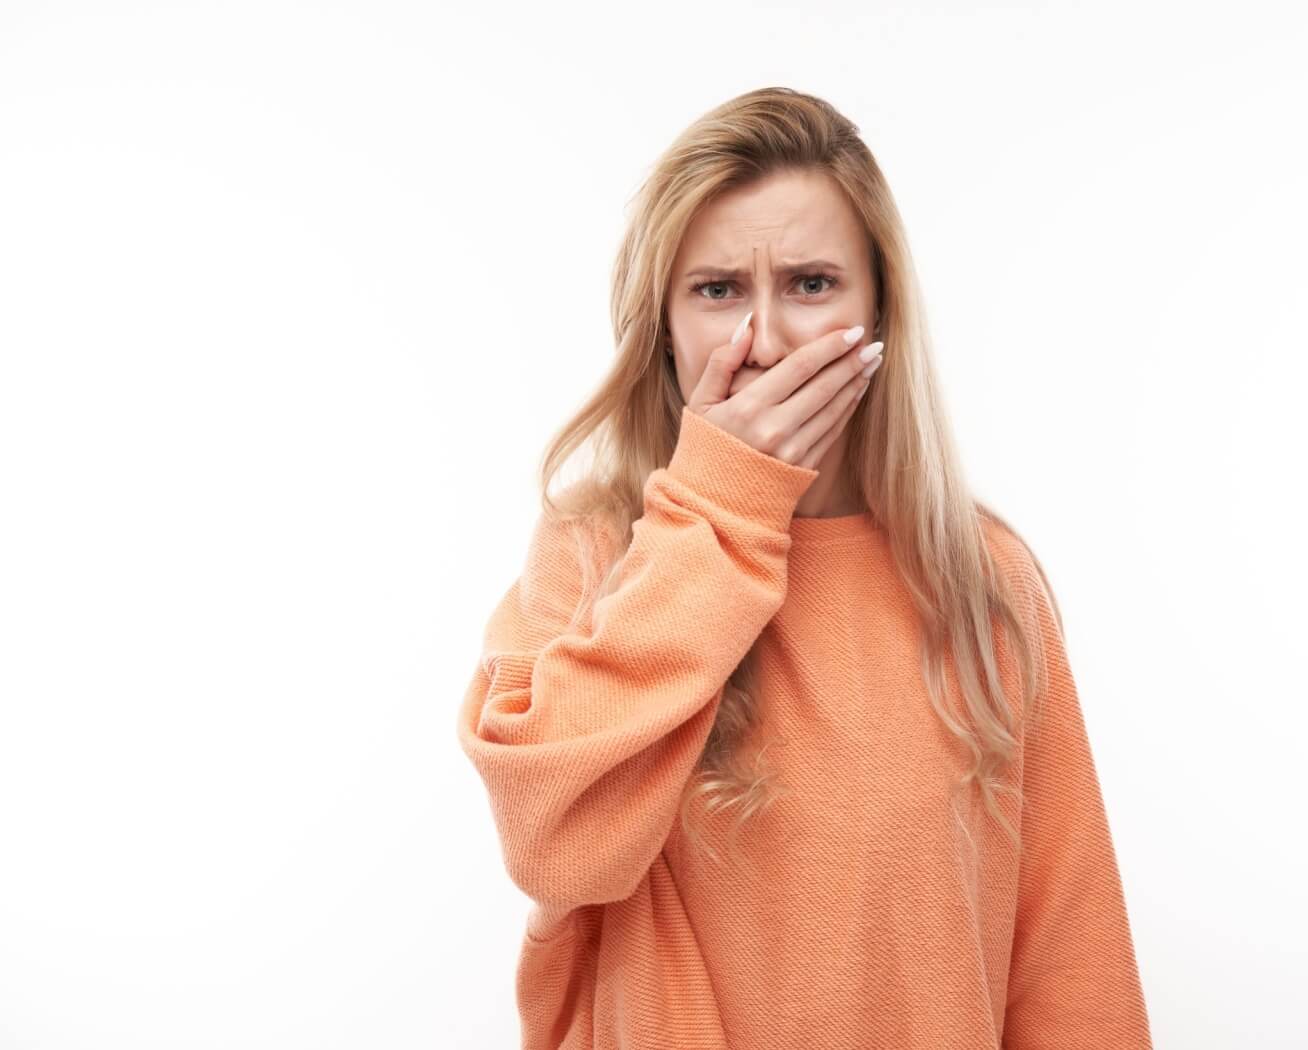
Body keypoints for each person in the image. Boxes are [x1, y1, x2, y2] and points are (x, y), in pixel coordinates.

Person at [456, 85, 1154, 1049]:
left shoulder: (981, 581)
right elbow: (556, 849)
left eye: (812, 284)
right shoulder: (591, 555)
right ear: (664, 327)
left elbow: (1069, 959)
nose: (767, 341)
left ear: (880, 315)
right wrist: (720, 504)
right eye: (717, 291)